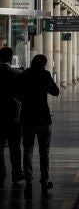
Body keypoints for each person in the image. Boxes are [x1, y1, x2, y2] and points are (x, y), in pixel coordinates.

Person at [15, 54, 59, 198]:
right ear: (44, 65)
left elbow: (18, 96)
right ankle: (44, 181)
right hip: (43, 119)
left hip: (27, 119)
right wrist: (44, 85)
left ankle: (28, 181)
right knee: (44, 152)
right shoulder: (45, 75)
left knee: (27, 151)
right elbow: (56, 92)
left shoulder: (24, 75)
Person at [0, 46, 24, 188]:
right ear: (11, 58)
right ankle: (16, 173)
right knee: (15, 146)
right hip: (13, 117)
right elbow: (21, 96)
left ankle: (0, 173)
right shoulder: (16, 74)